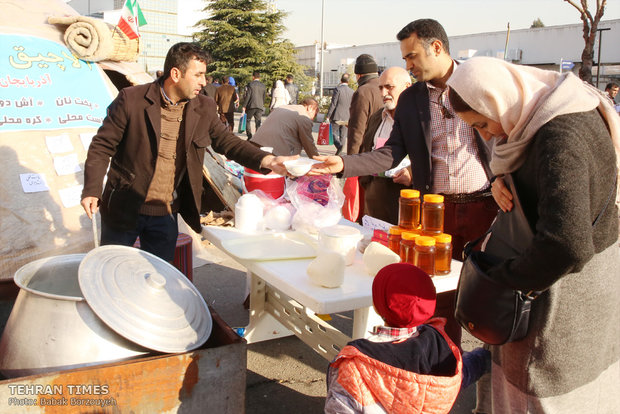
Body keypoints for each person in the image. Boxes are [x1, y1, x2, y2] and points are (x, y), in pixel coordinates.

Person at [448, 56, 620, 413]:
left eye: (482, 122)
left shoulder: (559, 134)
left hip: (562, 294)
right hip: (573, 282)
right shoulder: (549, 110)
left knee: (539, 392)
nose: (487, 135)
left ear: (498, 98)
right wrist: (500, 180)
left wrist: (504, 280)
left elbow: (566, 244)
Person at [310, 19, 498, 345]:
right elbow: (392, 153)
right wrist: (344, 163)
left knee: (489, 297)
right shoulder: (411, 100)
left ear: (436, 47)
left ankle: (487, 368)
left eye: (412, 56)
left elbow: (507, 135)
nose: (407, 64)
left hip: (485, 206)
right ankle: (440, 365)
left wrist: (507, 178)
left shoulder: (479, 83)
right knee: (437, 297)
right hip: (435, 214)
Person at [81, 42, 293, 262]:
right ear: (175, 73)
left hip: (165, 213)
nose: (203, 82)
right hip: (124, 208)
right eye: (198, 75)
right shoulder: (131, 100)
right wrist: (91, 189)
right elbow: (102, 146)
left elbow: (228, 142)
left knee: (158, 277)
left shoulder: (204, 107)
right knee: (113, 270)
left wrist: (268, 160)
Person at [325, 263, 490, 414]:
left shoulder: (355, 365)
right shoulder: (443, 349)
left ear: (376, 306)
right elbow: (460, 377)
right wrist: (483, 359)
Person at [358, 66, 412, 225]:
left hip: (405, 201)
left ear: (407, 87)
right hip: (375, 197)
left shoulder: (420, 119)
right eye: (381, 88)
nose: (383, 93)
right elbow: (366, 148)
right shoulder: (377, 117)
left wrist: (412, 172)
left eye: (390, 87)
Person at [251, 98, 320, 157]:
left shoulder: (282, 107)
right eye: (315, 114)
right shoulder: (303, 116)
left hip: (254, 146)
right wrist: (319, 161)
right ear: (310, 107)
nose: (313, 118)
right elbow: (308, 144)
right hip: (274, 153)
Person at [347, 53, 383, 155]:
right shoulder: (386, 87)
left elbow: (357, 130)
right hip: (385, 151)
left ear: (359, 75)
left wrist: (351, 160)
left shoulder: (363, 91)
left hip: (366, 152)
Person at [325, 73, 354, 155]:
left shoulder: (338, 89)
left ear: (341, 81)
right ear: (348, 82)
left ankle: (339, 146)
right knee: (343, 135)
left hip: (337, 116)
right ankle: (339, 152)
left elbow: (333, 103)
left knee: (332, 132)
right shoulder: (352, 91)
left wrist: (328, 116)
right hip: (347, 116)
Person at [241, 71, 267, 140]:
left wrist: (244, 105)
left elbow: (248, 96)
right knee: (258, 121)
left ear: (253, 77)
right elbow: (264, 97)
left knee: (247, 120)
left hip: (251, 105)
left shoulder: (250, 84)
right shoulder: (263, 86)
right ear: (259, 77)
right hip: (260, 106)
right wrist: (262, 104)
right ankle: (257, 137)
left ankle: (249, 136)